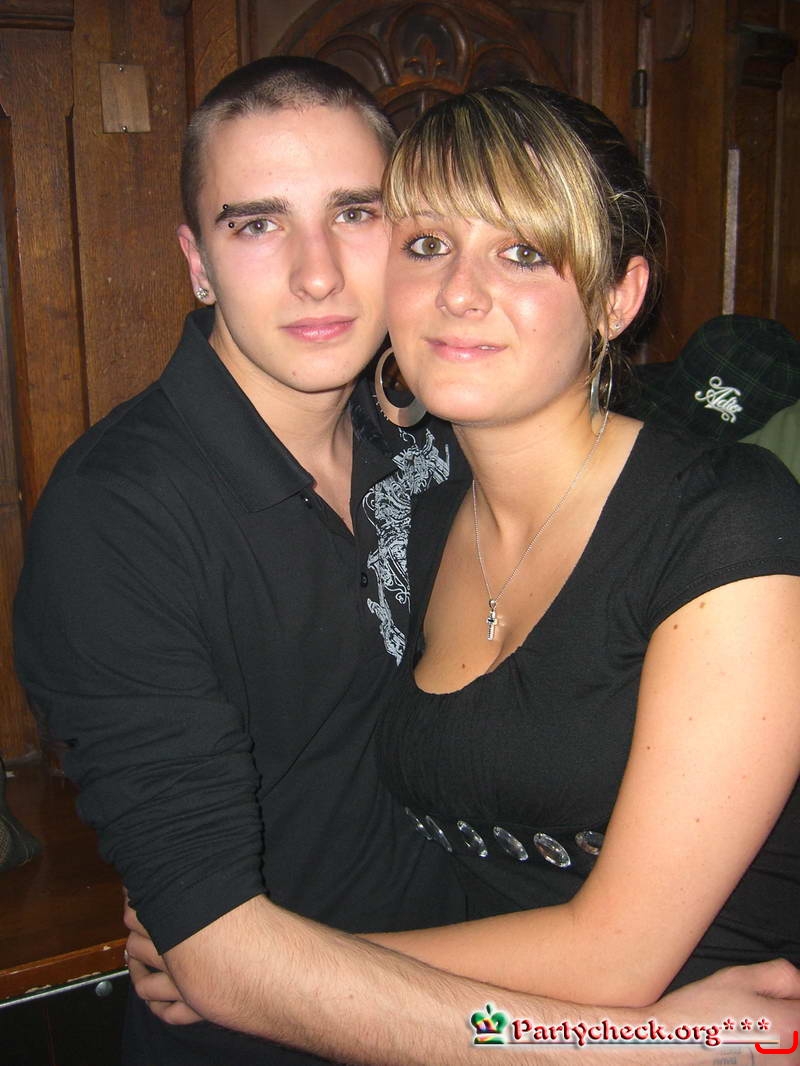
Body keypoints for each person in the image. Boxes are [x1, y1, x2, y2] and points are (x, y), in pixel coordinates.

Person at [18, 58, 800, 1065]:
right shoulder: (122, 513)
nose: (317, 274)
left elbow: (614, 947)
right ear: (197, 261)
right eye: (256, 224)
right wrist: (664, 1043)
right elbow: (214, 948)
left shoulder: (426, 460)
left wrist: (250, 968)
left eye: (356, 215)